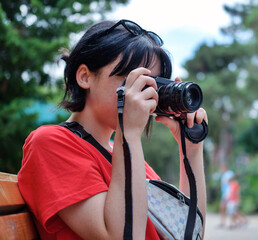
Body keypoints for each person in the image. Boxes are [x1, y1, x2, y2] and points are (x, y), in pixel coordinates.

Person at [17, 19, 207, 239]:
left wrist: (191, 149)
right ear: (85, 77)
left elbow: (189, 234)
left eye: (153, 84)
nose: (145, 94)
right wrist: (129, 134)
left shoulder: (128, 159)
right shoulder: (50, 142)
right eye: (132, 80)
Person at [218, 164, 234, 228]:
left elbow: (232, 183)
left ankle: (240, 220)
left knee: (231, 209)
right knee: (223, 208)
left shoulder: (229, 173)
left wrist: (231, 193)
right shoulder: (224, 175)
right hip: (225, 193)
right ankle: (222, 222)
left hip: (228, 194)